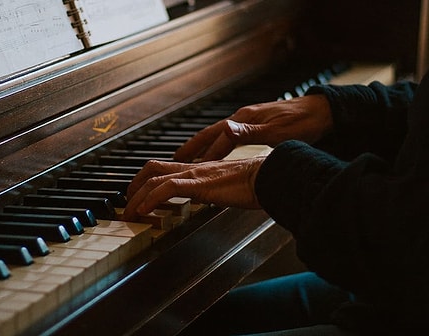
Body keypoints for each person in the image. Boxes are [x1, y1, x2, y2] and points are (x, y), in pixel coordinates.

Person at [122, 71, 429, 335]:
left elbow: (402, 240)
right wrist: (337, 110)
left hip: (408, 292)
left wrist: (268, 177)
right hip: (398, 291)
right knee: (184, 322)